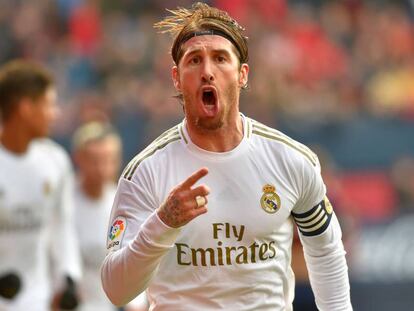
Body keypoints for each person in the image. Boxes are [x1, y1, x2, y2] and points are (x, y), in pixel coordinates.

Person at [101, 3, 352, 310]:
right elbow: (116, 290)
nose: (207, 71)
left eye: (220, 59)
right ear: (177, 78)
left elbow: (326, 251)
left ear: (242, 74)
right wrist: (163, 223)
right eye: (194, 61)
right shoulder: (146, 171)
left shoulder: (291, 160)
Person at [0, 60, 82, 310]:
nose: (54, 114)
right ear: (25, 108)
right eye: (49, 104)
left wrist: (68, 278)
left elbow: (62, 226)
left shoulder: (55, 161)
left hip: (39, 299)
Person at [72, 121, 149, 311]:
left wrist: (136, 304)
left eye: (108, 160)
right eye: (94, 160)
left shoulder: (124, 204)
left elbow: (134, 259)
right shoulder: (64, 203)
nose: (101, 168)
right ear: (78, 159)